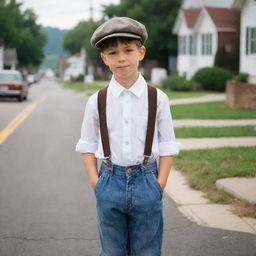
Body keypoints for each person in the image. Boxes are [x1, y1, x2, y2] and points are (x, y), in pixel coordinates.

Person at [76, 17, 179, 256]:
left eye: (128, 50)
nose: (121, 58)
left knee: (147, 250)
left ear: (141, 52)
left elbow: (167, 144)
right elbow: (88, 144)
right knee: (112, 251)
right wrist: (96, 183)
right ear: (104, 58)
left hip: (147, 181)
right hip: (110, 181)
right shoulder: (97, 101)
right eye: (112, 53)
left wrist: (159, 184)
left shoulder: (158, 98)